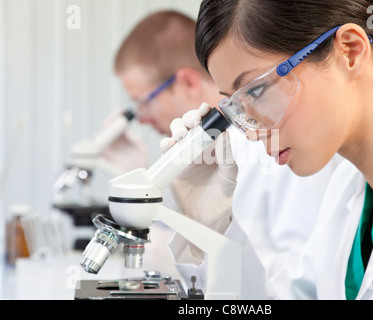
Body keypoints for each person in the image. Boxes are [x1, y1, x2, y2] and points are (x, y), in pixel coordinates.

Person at [163, 0, 373, 299]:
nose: (250, 133)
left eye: (256, 91)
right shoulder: (344, 193)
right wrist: (209, 228)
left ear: (350, 51)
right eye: (236, 107)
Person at [113, 10, 341, 298]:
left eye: (143, 102)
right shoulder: (200, 153)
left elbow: (297, 286)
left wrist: (200, 243)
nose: (142, 118)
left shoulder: (286, 140)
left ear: (188, 83)